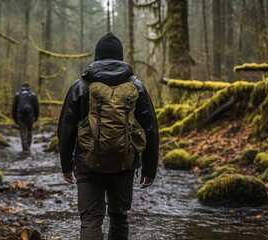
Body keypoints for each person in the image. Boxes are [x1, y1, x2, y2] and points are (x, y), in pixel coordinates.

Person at [58, 32, 159, 240]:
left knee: (91, 219)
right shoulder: (137, 86)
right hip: (124, 162)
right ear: (120, 58)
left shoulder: (80, 86)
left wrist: (66, 165)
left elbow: (66, 129)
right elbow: (150, 129)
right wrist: (150, 169)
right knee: (119, 217)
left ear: (97, 57)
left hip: (87, 161)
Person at [12, 82, 39, 152]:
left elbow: (14, 107)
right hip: (30, 116)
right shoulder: (32, 95)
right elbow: (36, 107)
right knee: (30, 130)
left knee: (23, 131)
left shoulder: (18, 95)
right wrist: (36, 117)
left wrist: (14, 118)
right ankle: (28, 145)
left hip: (20, 116)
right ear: (28, 87)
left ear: (22, 87)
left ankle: (24, 147)